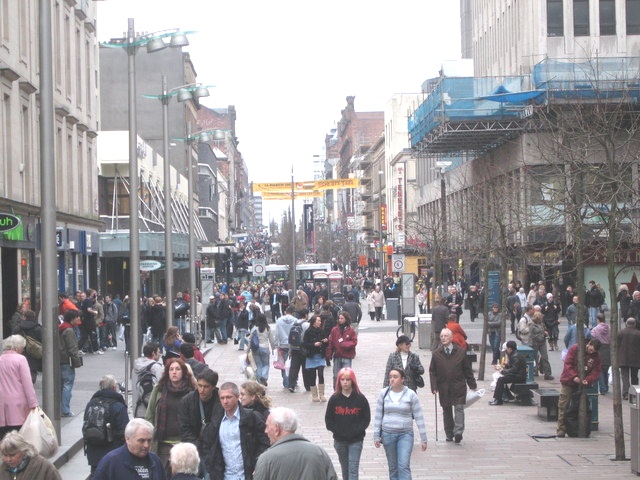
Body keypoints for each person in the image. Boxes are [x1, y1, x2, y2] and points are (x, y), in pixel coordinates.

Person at [201, 382, 270, 479]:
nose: (225, 401)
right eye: (222, 398)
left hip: (248, 475)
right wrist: (212, 467)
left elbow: (266, 441)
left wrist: (257, 463)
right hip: (225, 476)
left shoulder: (251, 417)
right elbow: (208, 444)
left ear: (237, 397)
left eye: (228, 397)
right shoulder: (216, 421)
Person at [254, 407, 337, 480]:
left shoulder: (266, 459)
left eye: (268, 426)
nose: (266, 431)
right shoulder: (319, 452)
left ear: (276, 428)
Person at [373, 368, 427, 480]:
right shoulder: (384, 394)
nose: (392, 379)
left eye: (395, 377)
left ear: (403, 379)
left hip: (405, 434)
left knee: (403, 465)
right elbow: (378, 416)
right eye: (390, 377)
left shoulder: (411, 395)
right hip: (388, 435)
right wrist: (376, 435)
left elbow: (419, 416)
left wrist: (423, 438)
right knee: (393, 468)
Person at [145, 358, 195, 469]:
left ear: (183, 372)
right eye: (171, 369)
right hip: (163, 443)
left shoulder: (191, 391)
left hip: (184, 443)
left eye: (177, 369)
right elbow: (150, 414)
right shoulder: (159, 389)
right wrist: (149, 437)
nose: (174, 372)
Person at [429, 328, 477, 443]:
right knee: (447, 410)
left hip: (458, 385)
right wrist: (434, 386)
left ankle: (458, 432)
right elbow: (432, 371)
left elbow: (467, 370)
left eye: (446, 336)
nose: (443, 338)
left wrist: (472, 384)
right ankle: (449, 433)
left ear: (451, 338)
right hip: (444, 386)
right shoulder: (436, 354)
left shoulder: (460, 352)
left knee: (459, 408)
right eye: (441, 336)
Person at [325, 368, 370, 480]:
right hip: (340, 440)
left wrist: (356, 430)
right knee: (345, 469)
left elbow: (366, 419)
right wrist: (338, 430)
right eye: (342, 379)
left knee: (353, 469)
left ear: (353, 381)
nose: (345, 382)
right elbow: (329, 420)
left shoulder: (360, 398)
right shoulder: (334, 399)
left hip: (356, 440)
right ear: (339, 381)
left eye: (348, 380)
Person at [178, 368, 222, 477]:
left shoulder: (220, 401)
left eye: (206, 387)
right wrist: (198, 447)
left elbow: (217, 427)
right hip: (194, 450)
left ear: (213, 387)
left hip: (215, 451)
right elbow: (184, 429)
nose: (202, 390)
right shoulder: (187, 401)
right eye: (199, 385)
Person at [84, 374, 130, 476]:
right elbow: (125, 432)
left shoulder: (91, 404)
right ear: (114, 388)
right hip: (113, 452)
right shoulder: (118, 406)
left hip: (93, 453)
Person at [93, 418, 166, 480]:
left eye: (149, 440)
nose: (146, 445)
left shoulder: (155, 460)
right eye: (141, 441)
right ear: (127, 439)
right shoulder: (110, 462)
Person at [556, 339, 602, 438]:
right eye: (590, 350)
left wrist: (588, 379)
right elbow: (568, 364)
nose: (591, 352)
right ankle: (561, 429)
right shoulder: (575, 348)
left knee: (581, 405)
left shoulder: (596, 356)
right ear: (588, 344)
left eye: (593, 351)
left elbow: (596, 371)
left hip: (582, 383)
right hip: (568, 381)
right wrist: (574, 376)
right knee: (564, 404)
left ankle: (577, 427)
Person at [0, 335, 38, 439]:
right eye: (22, 347)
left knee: (3, 434)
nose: (23, 349)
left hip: (1, 401)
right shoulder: (21, 359)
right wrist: (33, 403)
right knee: (18, 434)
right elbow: (27, 384)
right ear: (17, 347)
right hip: (18, 403)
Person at [59, 309, 83, 417]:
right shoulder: (69, 330)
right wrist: (76, 361)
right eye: (77, 317)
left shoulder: (62, 327)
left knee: (62, 385)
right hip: (67, 361)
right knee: (67, 385)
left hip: (60, 360)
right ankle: (65, 410)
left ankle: (62, 407)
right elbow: (72, 348)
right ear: (72, 318)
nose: (78, 319)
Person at [489, 340, 527, 405]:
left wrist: (503, 371)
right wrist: (503, 366)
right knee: (501, 379)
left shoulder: (515, 356)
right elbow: (512, 366)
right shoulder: (515, 354)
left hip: (519, 376)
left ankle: (498, 399)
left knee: (501, 380)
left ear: (510, 349)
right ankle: (508, 396)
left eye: (507, 349)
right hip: (518, 374)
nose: (506, 351)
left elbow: (514, 369)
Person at [326, 311, 358, 389]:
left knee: (347, 375)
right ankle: (336, 391)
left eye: (342, 318)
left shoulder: (351, 330)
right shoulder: (334, 330)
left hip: (347, 356)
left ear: (346, 319)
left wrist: (344, 344)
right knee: (336, 375)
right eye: (339, 318)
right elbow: (331, 342)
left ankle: (347, 390)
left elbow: (354, 341)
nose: (340, 320)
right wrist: (329, 354)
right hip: (337, 355)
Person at [133, 343, 164, 418]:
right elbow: (161, 386)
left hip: (138, 407)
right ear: (153, 353)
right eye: (159, 352)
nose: (160, 355)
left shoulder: (136, 366)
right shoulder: (156, 367)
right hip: (151, 407)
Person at [12, 309, 43, 383]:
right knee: (32, 372)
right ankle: (30, 384)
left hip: (20, 352)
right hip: (34, 354)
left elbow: (13, 341)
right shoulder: (38, 328)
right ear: (34, 317)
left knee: (20, 371)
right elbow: (43, 340)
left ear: (24, 317)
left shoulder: (18, 328)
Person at [303, 314, 329, 402]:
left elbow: (326, 342)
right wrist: (314, 344)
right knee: (312, 376)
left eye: (320, 321)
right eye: (318, 321)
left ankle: (322, 394)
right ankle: (314, 395)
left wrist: (325, 341)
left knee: (321, 374)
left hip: (320, 356)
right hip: (311, 356)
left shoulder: (322, 331)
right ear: (314, 322)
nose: (320, 322)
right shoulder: (308, 332)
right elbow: (304, 344)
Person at [250, 313, 275, 387]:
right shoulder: (267, 328)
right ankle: (264, 376)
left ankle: (260, 382)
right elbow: (271, 340)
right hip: (265, 348)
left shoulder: (254, 328)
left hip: (256, 348)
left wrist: (247, 350)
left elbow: (250, 339)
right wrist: (273, 349)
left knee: (258, 365)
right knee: (266, 364)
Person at [618, 317, 640, 400]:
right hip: (635, 359)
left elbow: (617, 346)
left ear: (626, 323)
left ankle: (626, 393)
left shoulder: (621, 332)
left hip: (623, 359)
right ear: (634, 324)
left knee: (625, 377)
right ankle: (635, 393)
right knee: (634, 377)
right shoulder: (638, 334)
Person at [529, 312, 554, 380]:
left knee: (545, 358)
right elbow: (530, 336)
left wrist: (545, 333)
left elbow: (544, 330)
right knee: (534, 358)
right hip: (534, 343)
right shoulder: (532, 325)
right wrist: (530, 345)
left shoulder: (542, 324)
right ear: (538, 317)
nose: (542, 318)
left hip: (542, 342)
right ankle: (534, 371)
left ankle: (547, 374)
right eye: (541, 317)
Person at [590, 313, 611, 395]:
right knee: (606, 368)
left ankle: (602, 388)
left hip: (600, 348)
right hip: (608, 349)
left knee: (600, 369)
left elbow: (592, 337)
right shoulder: (609, 328)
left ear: (598, 319)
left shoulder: (595, 329)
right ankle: (606, 386)